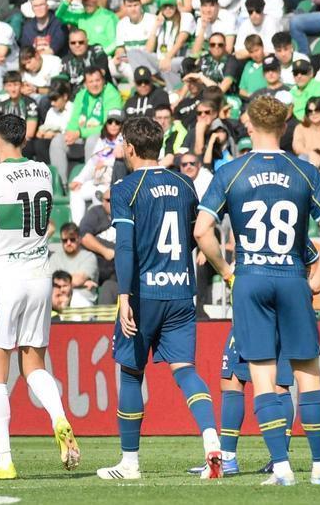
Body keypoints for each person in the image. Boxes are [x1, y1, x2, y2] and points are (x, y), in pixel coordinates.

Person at [194, 96, 320, 486]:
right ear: (285, 127)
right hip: (292, 275)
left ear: (248, 125)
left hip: (250, 277)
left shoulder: (231, 171)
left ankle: (281, 469)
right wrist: (315, 281)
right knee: (307, 376)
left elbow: (201, 231)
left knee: (262, 377)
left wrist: (227, 270)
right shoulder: (305, 170)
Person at [97, 116, 222, 481]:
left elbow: (124, 245)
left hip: (144, 293)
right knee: (185, 371)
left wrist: (123, 297)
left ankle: (130, 463)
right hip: (182, 290)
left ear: (131, 149)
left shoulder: (125, 188)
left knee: (132, 374)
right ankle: (211, 442)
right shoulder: (185, 186)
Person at [0, 114, 78, 480]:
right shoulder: (42, 171)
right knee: (34, 365)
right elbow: (12, 173)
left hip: (3, 278)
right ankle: (59, 417)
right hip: (39, 276)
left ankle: (4, 460)